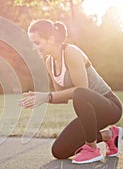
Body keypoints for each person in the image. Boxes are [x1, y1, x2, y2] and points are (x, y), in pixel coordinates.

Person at [18, 19, 122, 164]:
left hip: (110, 107)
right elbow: (62, 96)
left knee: (80, 93)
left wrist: (47, 96)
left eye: (37, 43)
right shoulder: (50, 62)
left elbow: (82, 90)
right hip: (89, 115)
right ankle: (110, 135)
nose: (34, 48)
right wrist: (40, 98)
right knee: (59, 151)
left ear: (51, 39)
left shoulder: (70, 52)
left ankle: (92, 150)